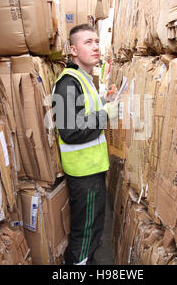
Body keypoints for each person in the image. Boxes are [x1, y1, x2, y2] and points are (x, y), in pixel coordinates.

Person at [52, 24, 119, 265]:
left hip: (91, 170)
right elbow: (71, 130)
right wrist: (107, 114)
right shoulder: (67, 82)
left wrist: (103, 101)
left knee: (92, 230)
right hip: (84, 174)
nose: (96, 47)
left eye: (97, 41)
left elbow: (82, 111)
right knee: (85, 234)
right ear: (73, 50)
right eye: (88, 42)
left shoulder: (82, 78)